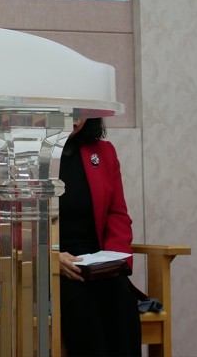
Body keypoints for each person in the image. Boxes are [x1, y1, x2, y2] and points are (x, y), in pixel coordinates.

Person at [57, 117, 142, 356]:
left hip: (97, 265)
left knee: (121, 296)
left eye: (81, 110)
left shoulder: (104, 152)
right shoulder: (26, 153)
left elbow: (117, 214)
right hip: (54, 266)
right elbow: (8, 223)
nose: (75, 118)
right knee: (82, 301)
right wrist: (49, 257)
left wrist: (114, 260)